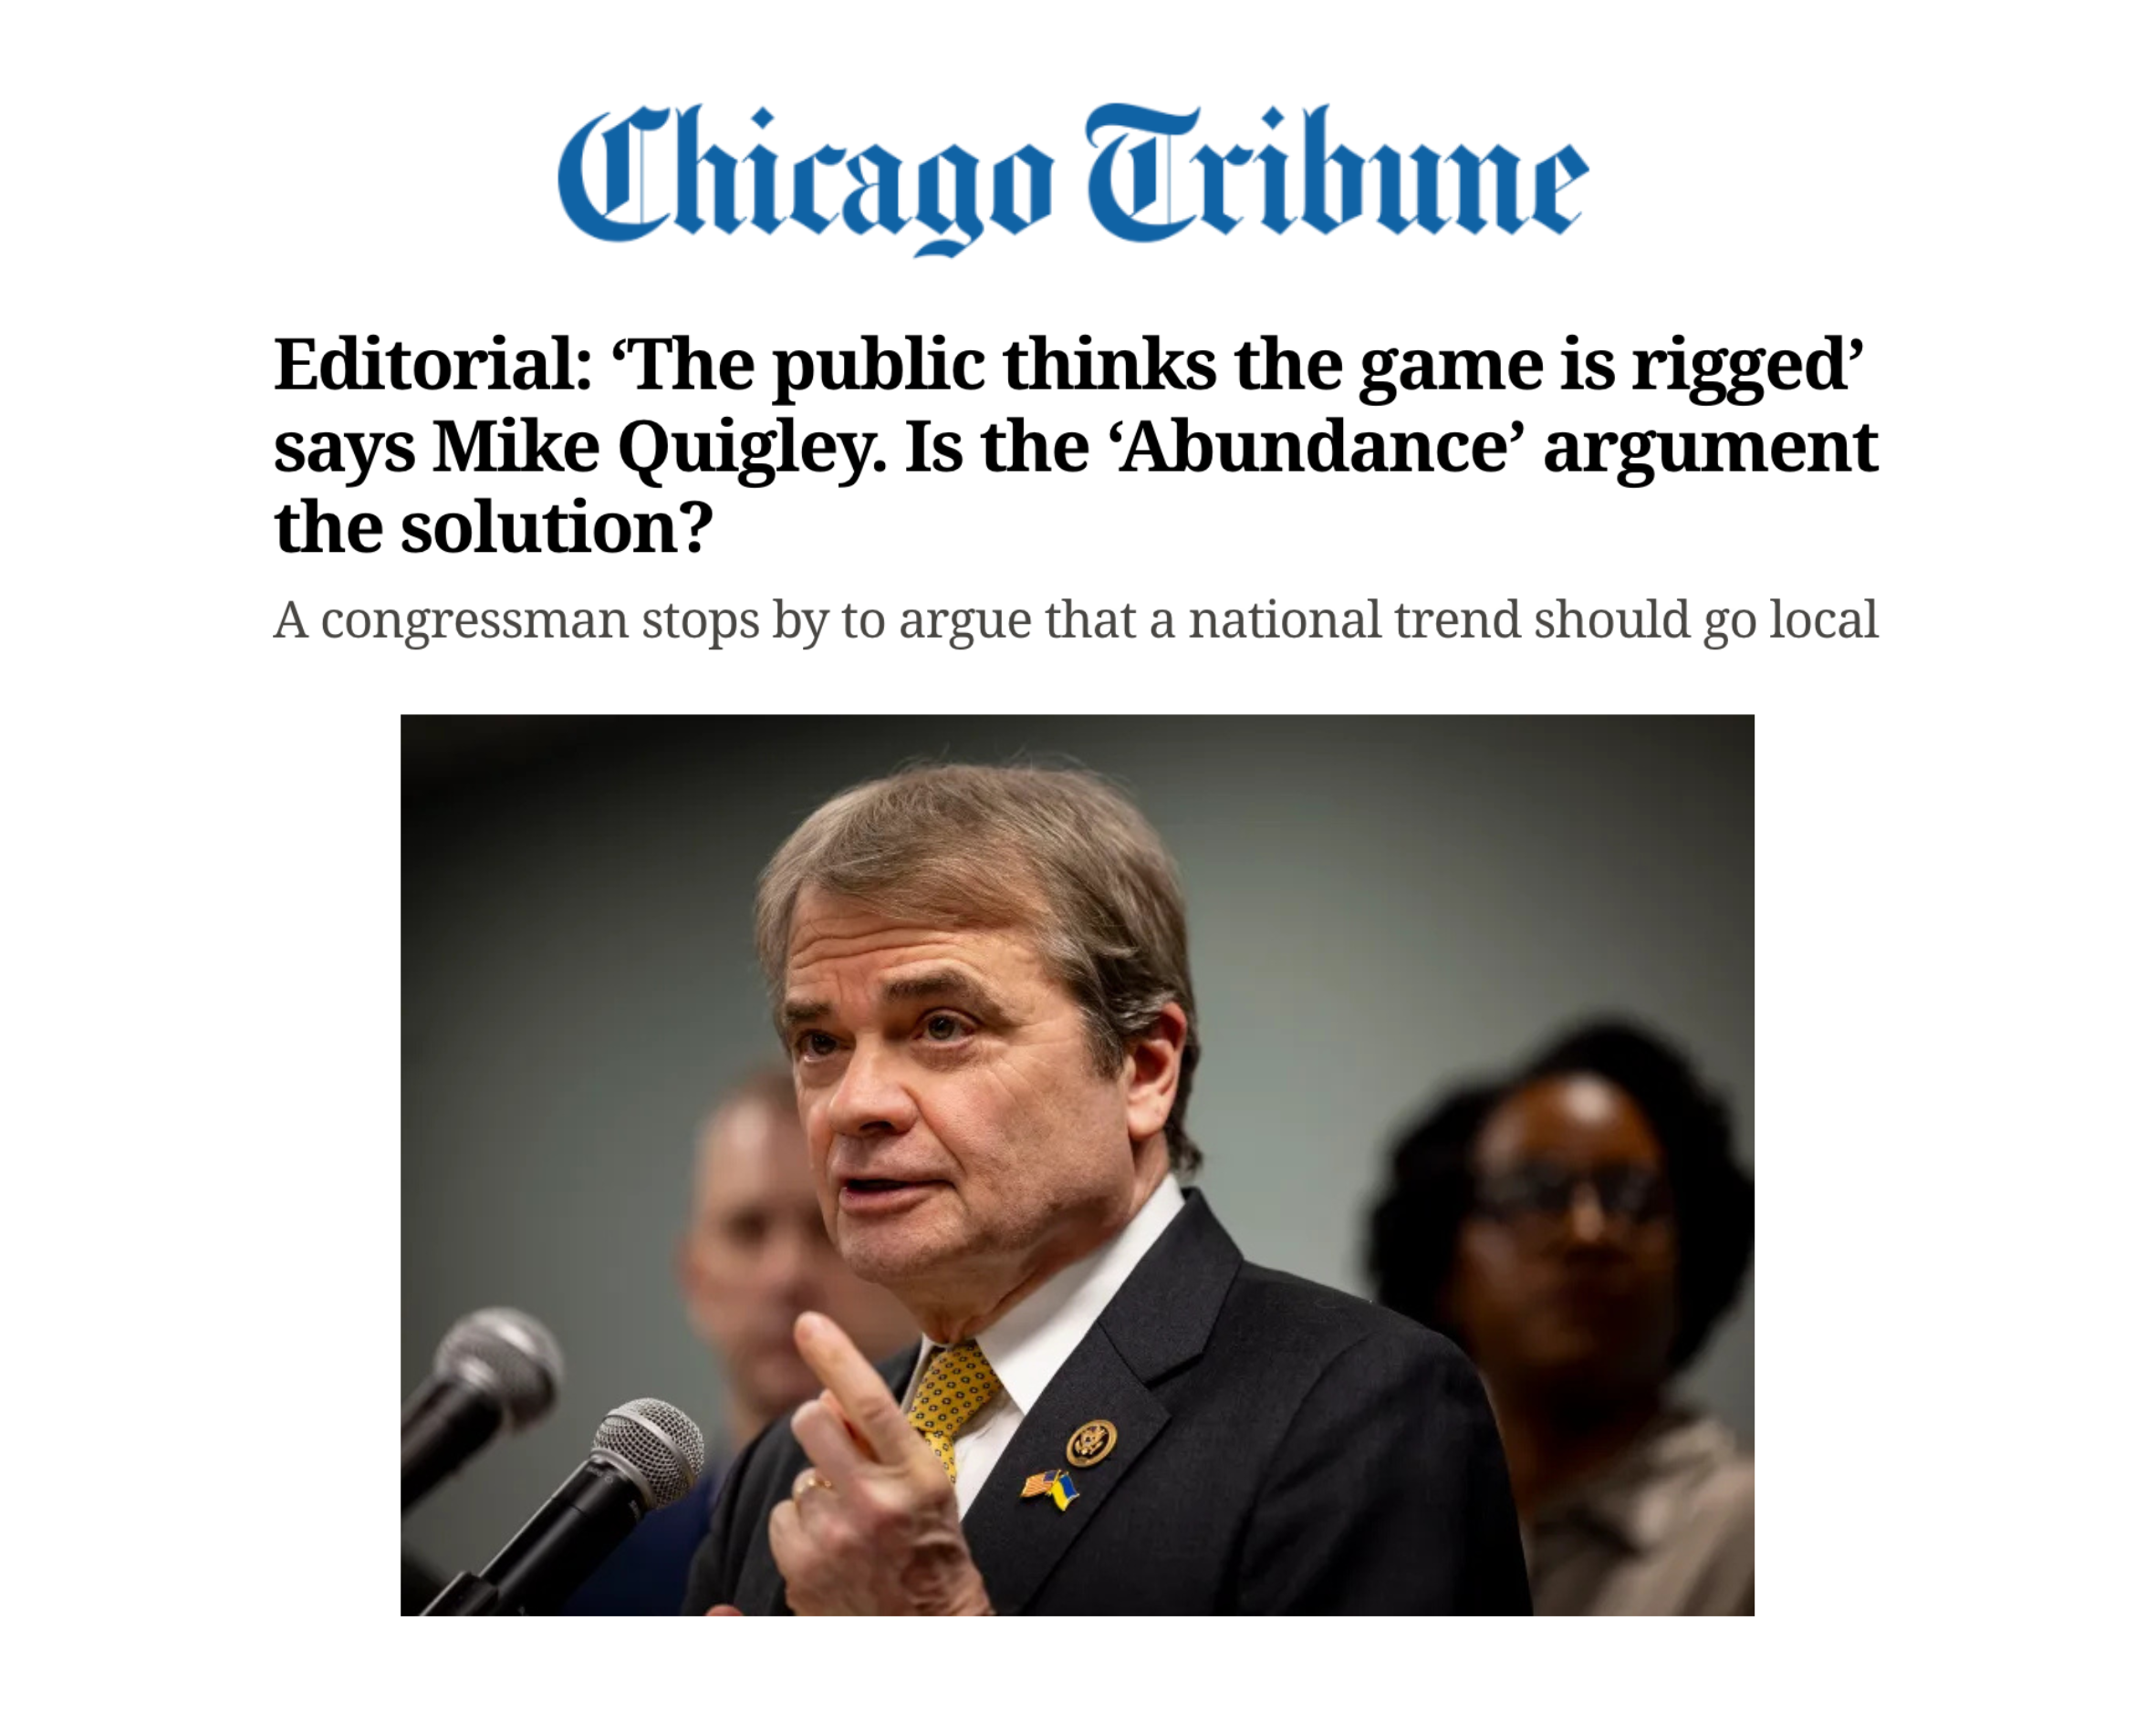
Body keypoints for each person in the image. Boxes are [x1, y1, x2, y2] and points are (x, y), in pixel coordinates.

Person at [683, 763, 1528, 1615]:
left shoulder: (1361, 1409)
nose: (856, 1103)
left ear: (1142, 1067)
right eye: (819, 1042)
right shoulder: (787, 1473)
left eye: (943, 1026)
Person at [1367, 1021, 1755, 1614]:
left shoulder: (1745, 1539)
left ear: (1693, 1255)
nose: (1588, 1233)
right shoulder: (1369, 1514)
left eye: (1630, 1196)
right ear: (1446, 1261)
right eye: (1536, 1192)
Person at [564, 1071, 915, 1614]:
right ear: (695, 1279)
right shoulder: (596, 1582)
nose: (787, 1274)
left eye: (828, 1226)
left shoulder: (986, 1536)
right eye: (748, 1230)